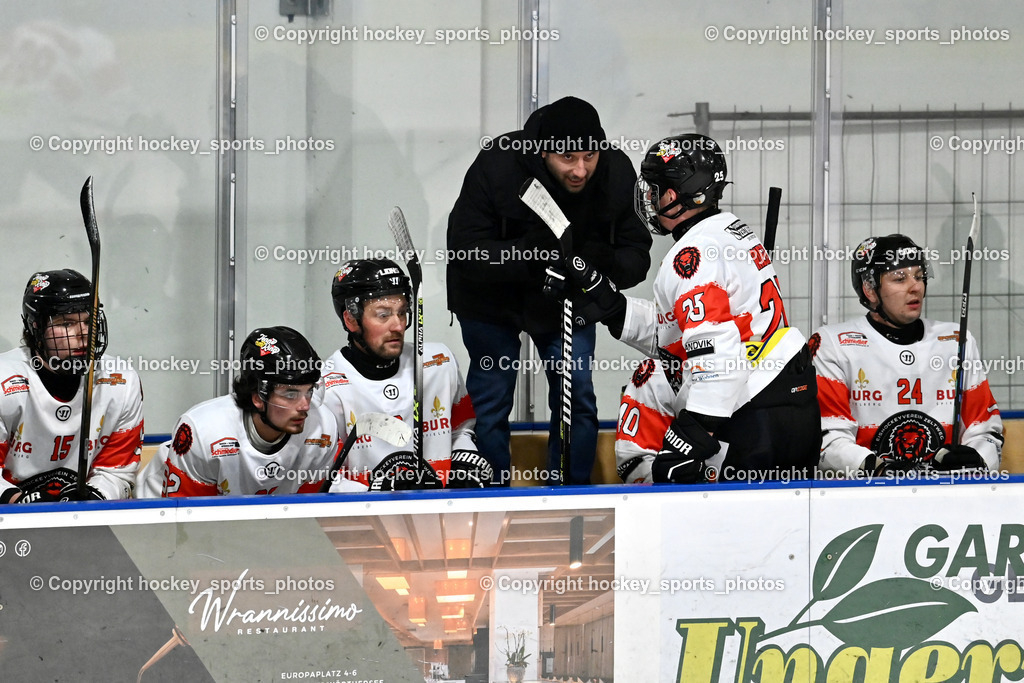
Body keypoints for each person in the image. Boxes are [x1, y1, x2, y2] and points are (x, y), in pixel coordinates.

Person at [567, 134, 820, 484]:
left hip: (750, 417)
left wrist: (689, 438)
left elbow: (718, 359)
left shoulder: (692, 255)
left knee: (723, 530)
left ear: (674, 196)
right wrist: (613, 307)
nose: (649, 199)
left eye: (655, 189)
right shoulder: (733, 232)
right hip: (794, 405)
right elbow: (685, 332)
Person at [447, 95, 652, 485]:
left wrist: (591, 262)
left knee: (577, 399)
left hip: (566, 302)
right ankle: (492, 495)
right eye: (567, 158)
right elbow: (465, 251)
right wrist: (533, 257)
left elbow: (636, 255)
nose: (580, 170)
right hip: (490, 300)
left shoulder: (615, 173)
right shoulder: (498, 164)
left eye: (589, 156)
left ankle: (570, 491)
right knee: (491, 402)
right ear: (542, 153)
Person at [811, 234, 1003, 475]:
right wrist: (874, 466)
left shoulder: (956, 339)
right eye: (900, 278)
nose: (916, 287)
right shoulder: (834, 344)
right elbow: (829, 439)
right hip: (865, 496)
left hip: (946, 493)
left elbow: (986, 429)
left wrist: (975, 457)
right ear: (869, 289)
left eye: (920, 276)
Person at [324, 259, 489, 490]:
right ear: (351, 320)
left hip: (439, 515)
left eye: (401, 313)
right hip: (366, 521)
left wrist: (464, 457)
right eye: (383, 315)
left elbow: (462, 428)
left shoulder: (438, 362)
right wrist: (377, 492)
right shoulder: (326, 387)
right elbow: (325, 479)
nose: (398, 326)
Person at [136, 326, 342, 497]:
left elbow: (306, 513)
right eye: (290, 394)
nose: (305, 406)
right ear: (257, 396)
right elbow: (186, 527)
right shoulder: (203, 431)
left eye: (309, 391)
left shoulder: (322, 427)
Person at [0, 269, 143, 503]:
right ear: (35, 327)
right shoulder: (4, 380)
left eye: (89, 321)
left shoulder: (121, 381)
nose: (83, 333)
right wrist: (19, 500)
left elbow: (118, 471)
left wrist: (95, 495)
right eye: (66, 323)